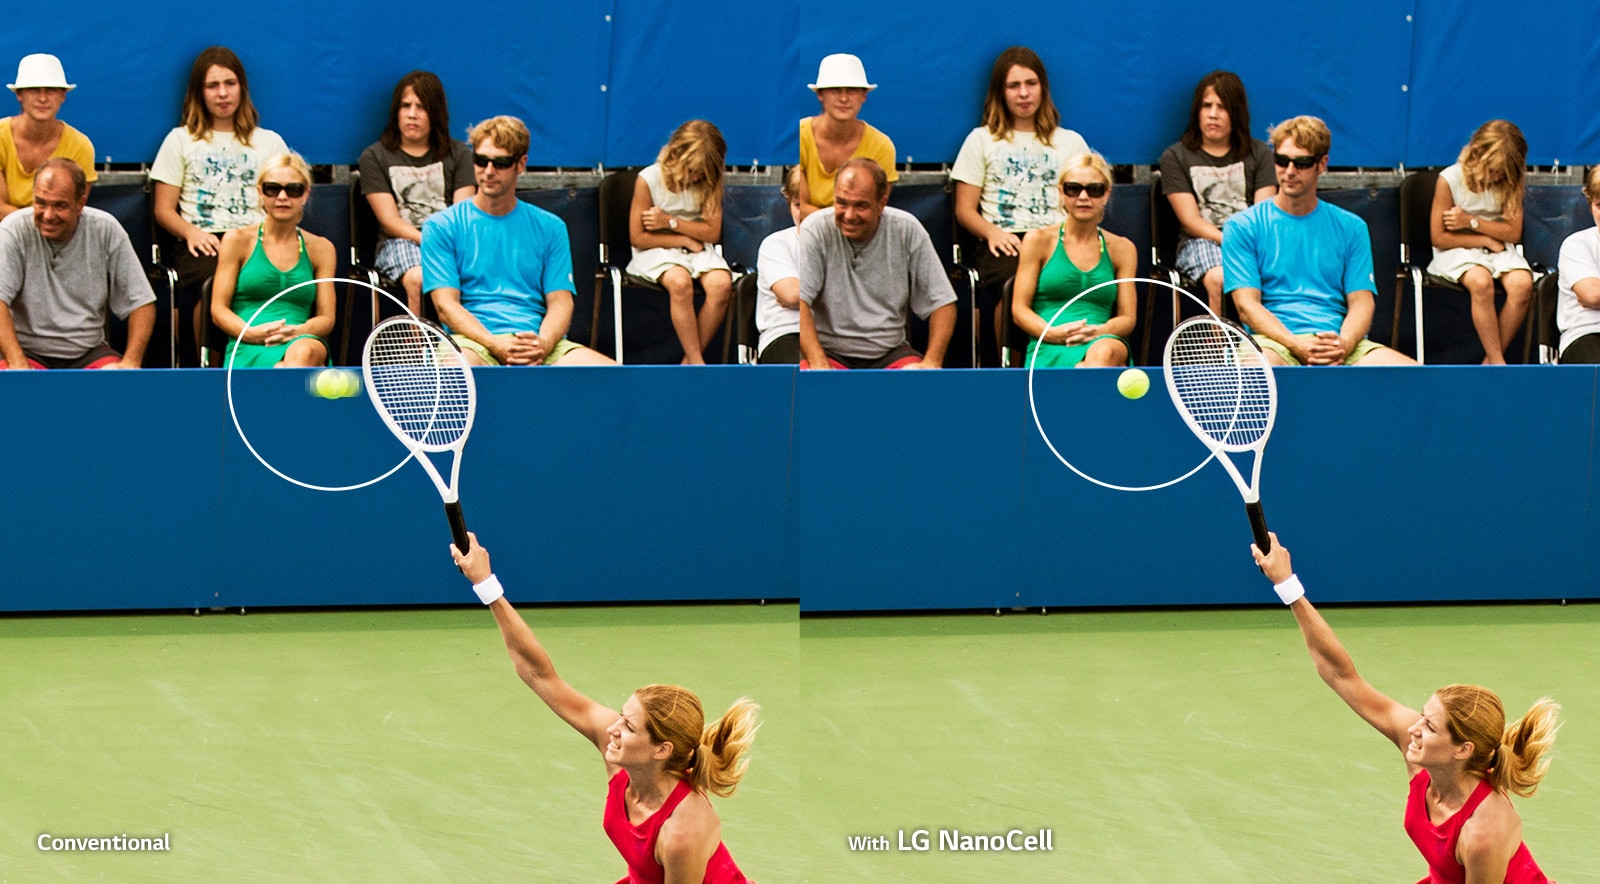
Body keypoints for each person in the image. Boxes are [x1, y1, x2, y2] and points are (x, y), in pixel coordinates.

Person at [450, 532, 758, 883]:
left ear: (662, 749)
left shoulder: (683, 833)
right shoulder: (620, 753)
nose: (612, 728)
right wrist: (486, 585)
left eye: (629, 727)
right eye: (622, 716)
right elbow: (540, 675)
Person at [1252, 533, 1560, 882]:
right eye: (1423, 716)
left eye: (1430, 727)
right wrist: (1287, 585)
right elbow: (1341, 675)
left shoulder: (1483, 832)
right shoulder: (1421, 752)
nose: (1413, 728)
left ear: (1463, 749)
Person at [1221, 116, 1414, 366]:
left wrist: (1343, 345)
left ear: (1322, 164)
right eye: (1282, 160)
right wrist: (1295, 344)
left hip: (1338, 343)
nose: (1290, 171)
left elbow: (1362, 303)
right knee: (1258, 369)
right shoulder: (1241, 226)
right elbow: (1247, 306)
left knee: (1414, 375)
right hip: (1272, 342)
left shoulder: (1352, 227)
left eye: (1302, 163)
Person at [421, 115, 612, 366]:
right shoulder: (440, 226)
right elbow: (446, 306)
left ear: (521, 164)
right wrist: (494, 344)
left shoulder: (551, 227)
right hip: (471, 342)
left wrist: (542, 345)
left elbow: (561, 303)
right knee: (456, 370)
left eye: (501, 163)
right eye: (481, 161)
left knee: (612, 375)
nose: (489, 171)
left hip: (537, 343)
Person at [151, 47, 290, 365]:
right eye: (212, 86)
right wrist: (191, 233)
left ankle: (275, 365)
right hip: (206, 242)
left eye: (230, 83)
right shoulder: (180, 140)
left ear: (242, 88)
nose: (223, 93)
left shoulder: (269, 142)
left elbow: (288, 197)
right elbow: (163, 209)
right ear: (199, 93)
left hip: (259, 239)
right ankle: (214, 372)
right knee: (215, 288)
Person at [952, 47, 1089, 362]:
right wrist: (992, 233)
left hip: (1060, 239)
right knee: (1016, 286)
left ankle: (1075, 364)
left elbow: (1089, 199)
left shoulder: (1070, 142)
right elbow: (964, 210)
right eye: (1013, 86)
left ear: (1043, 88)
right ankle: (1015, 372)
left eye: (1031, 83)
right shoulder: (981, 140)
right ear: (1000, 93)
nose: (1023, 93)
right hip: (1006, 242)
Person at [797, 158, 957, 369]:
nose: (849, 215)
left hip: (891, 352)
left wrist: (932, 361)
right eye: (841, 203)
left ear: (882, 203)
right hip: (829, 352)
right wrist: (819, 363)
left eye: (860, 206)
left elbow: (943, 304)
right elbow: (800, 302)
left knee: (919, 383)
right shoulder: (815, 229)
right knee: (811, 379)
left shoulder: (907, 229)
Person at [0, 158, 154, 369]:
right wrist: (18, 363)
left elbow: (142, 304)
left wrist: (131, 361)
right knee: (9, 380)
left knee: (119, 383)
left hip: (89, 352)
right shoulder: (12, 229)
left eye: (60, 206)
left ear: (80, 203)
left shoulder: (106, 229)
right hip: (27, 351)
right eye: (40, 203)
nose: (48, 215)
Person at [1158, 71, 1277, 315]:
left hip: (1252, 241)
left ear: (1236, 113)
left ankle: (1265, 334)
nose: (1213, 114)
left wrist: (1247, 244)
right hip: (1200, 241)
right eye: (1207, 106)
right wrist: (1230, 240)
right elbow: (1191, 222)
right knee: (1220, 277)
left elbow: (1263, 214)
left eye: (1222, 107)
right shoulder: (1175, 156)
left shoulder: (1260, 154)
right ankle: (1218, 338)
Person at [358, 71, 475, 316]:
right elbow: (389, 222)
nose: (412, 114)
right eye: (406, 106)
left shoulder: (459, 154)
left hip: (450, 240)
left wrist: (445, 244)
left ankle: (464, 334)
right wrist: (429, 240)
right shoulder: (374, 156)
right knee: (419, 277)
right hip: (400, 241)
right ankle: (418, 337)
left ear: (435, 113)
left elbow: (462, 214)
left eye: (421, 107)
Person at [1010, 153, 1137, 368]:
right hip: (1048, 341)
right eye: (1073, 189)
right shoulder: (1037, 240)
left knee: (1104, 352)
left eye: (1094, 189)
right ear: (1061, 192)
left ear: (1107, 194)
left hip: (1102, 339)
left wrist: (1099, 331)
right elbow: (1019, 310)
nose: (1083, 197)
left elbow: (1128, 318)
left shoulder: (1123, 248)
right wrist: (1052, 333)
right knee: (1082, 368)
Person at [209, 153, 335, 368]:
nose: (282, 197)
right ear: (260, 192)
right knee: (282, 368)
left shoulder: (322, 248)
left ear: (306, 194)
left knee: (304, 352)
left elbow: (327, 318)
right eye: (272, 189)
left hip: (301, 339)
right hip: (248, 341)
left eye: (293, 189)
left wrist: (298, 331)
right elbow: (218, 309)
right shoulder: (237, 240)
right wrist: (250, 333)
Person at [626, 120, 734, 365]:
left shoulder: (708, 179)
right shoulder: (648, 179)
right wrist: (683, 238)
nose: (696, 177)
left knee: (721, 285)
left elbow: (711, 232)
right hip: (656, 248)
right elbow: (638, 238)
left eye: (702, 173)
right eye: (692, 171)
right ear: (674, 154)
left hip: (696, 248)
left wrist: (670, 221)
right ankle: (697, 362)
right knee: (679, 281)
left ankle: (688, 361)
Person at [1426, 120, 1533, 365]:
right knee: (1480, 281)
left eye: (1502, 173)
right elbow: (1439, 237)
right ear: (1475, 155)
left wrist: (1471, 221)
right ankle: (1497, 362)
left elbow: (1512, 232)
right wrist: (1484, 238)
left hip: (1497, 248)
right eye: (1493, 171)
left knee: (1522, 284)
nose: (1497, 177)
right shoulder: (1449, 179)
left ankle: (1489, 362)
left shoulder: (1510, 180)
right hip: (1456, 248)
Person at [798, 54, 897, 217]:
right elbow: (799, 206)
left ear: (864, 96)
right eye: (835, 89)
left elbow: (875, 209)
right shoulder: (799, 135)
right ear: (820, 95)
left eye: (852, 90)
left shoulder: (882, 146)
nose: (843, 98)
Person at [1, 53, 96, 218]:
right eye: (34, 90)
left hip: (56, 230)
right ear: (19, 95)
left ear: (63, 96)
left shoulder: (81, 146)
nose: (43, 98)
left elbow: (74, 209)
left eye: (51, 90)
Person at [753, 166, 807, 364]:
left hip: (834, 336)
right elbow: (791, 295)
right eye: (798, 205)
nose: (804, 213)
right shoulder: (775, 244)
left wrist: (802, 297)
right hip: (785, 334)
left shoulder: (844, 243)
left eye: (810, 205)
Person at [1557, 166, 1600, 364]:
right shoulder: (1576, 244)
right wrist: (1593, 297)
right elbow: (1592, 295)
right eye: (1599, 205)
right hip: (1587, 335)